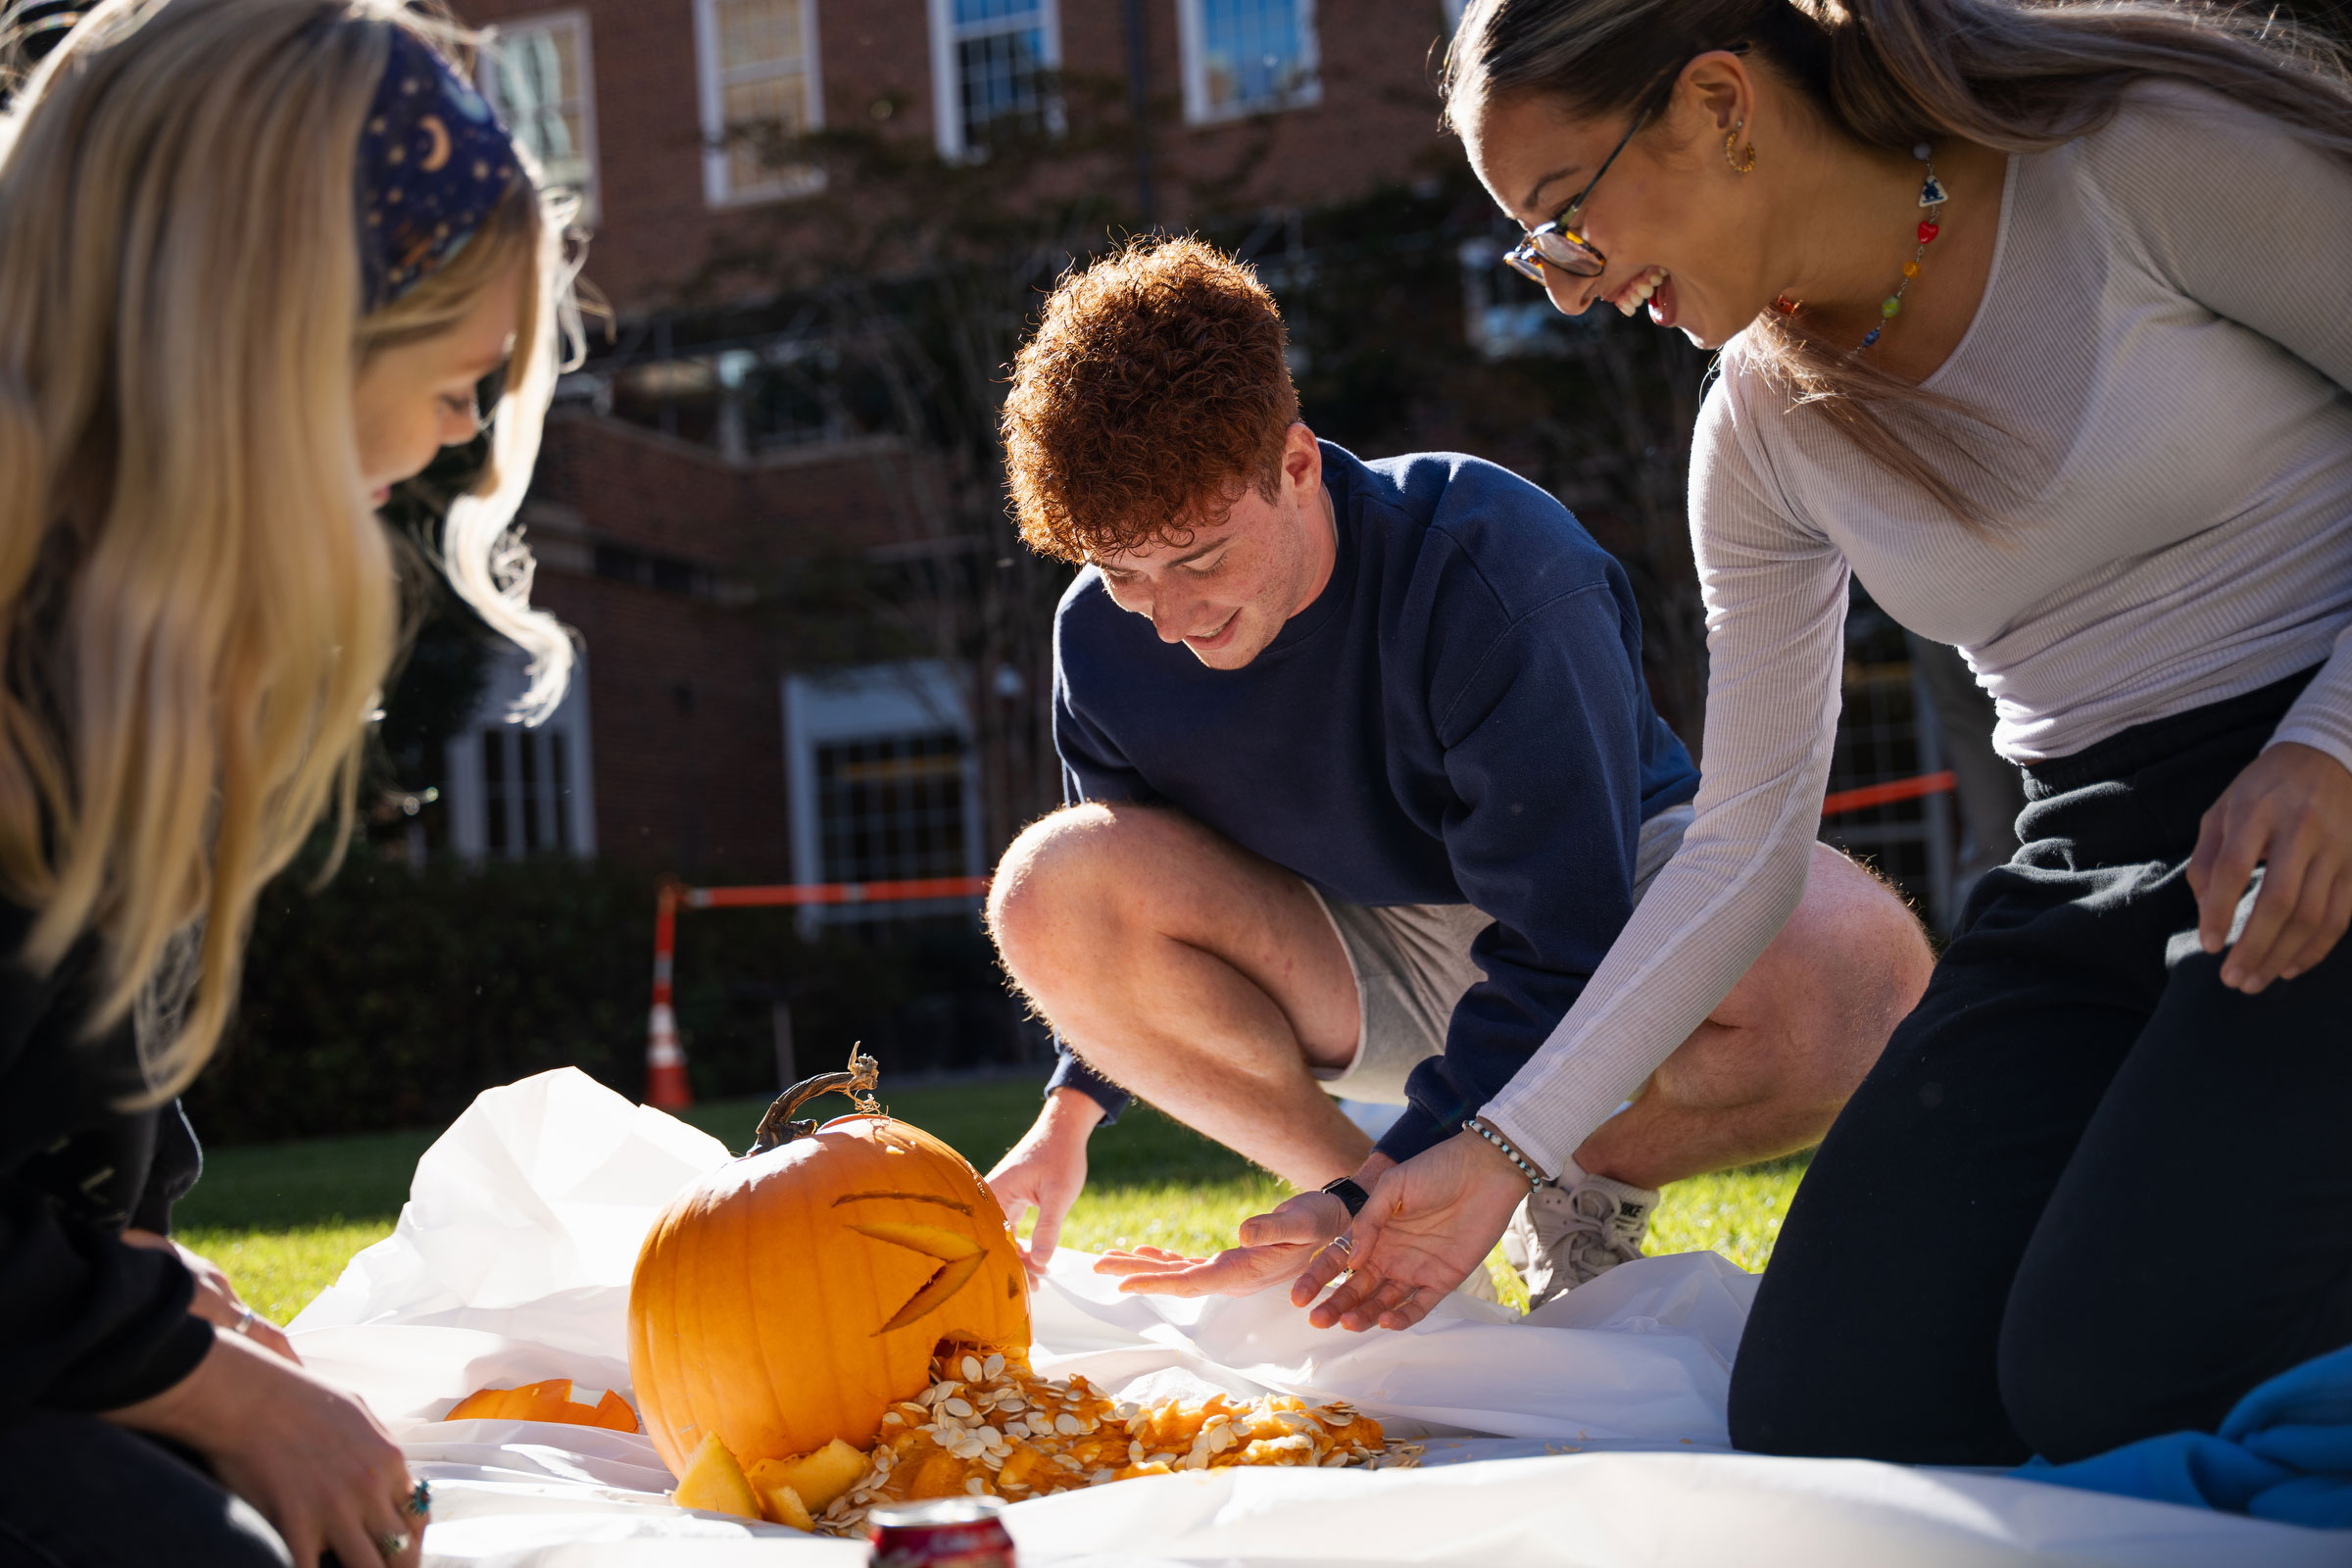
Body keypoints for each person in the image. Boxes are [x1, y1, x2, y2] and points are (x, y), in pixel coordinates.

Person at [1298, 0, 2352, 1469]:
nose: (1570, 290)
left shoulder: (2126, 158)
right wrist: (1497, 1149)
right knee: (1833, 1411)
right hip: (2094, 852)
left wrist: (2335, 744)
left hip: (2325, 785)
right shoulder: (1758, 428)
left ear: (1720, 104)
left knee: (2115, 1378)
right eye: (1538, 250)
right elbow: (1742, 845)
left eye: (1565, 218)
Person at [979, 235, 1932, 1308]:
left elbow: (1562, 932)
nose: (1169, 613)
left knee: (1859, 972)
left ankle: (1579, 1173)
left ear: (1295, 465)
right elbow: (1118, 903)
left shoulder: (1493, 564)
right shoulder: (1102, 641)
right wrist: (1067, 1122)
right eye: (1121, 572)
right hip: (1354, 950)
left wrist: (1477, 1139)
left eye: (1200, 557)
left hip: (1612, 908)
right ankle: (1369, 1205)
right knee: (1046, 887)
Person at [0, 2, 578, 1563]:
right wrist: (184, 1374)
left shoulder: (124, 644)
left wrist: (139, 1280)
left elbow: (62, 1097)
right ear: (284, 337)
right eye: (464, 381)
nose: (468, 431)